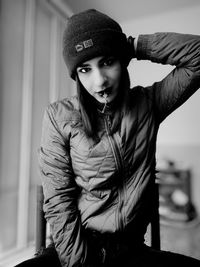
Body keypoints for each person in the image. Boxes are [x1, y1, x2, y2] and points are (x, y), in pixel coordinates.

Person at [15, 8, 200, 267]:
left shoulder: (149, 104)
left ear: (121, 60)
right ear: (76, 75)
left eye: (107, 61)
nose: (99, 80)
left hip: (131, 250)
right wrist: (77, 264)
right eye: (84, 69)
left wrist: (134, 46)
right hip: (75, 249)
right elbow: (59, 201)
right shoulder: (59, 117)